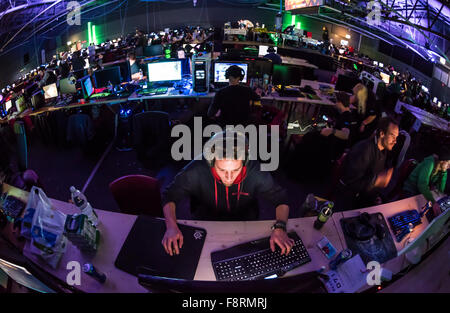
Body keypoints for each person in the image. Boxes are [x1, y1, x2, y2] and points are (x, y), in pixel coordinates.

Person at [161, 131, 294, 256]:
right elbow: (169, 195)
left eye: (236, 170)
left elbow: (281, 199)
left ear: (244, 162)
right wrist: (171, 226)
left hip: (245, 223)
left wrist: (280, 227)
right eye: (222, 169)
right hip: (206, 224)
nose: (229, 177)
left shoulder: (255, 170)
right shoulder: (195, 169)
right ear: (211, 161)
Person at [290, 92, 358, 180]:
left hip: (333, 147)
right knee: (309, 136)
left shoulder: (347, 117)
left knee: (308, 140)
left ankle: (297, 172)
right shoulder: (346, 114)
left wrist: (331, 130)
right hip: (332, 143)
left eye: (335, 102)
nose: (334, 104)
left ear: (340, 103)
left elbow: (345, 134)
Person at [336, 117, 399, 210]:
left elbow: (369, 176)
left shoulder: (383, 150)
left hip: (365, 198)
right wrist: (376, 181)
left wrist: (375, 196)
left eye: (396, 137)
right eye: (392, 136)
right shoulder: (364, 150)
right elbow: (350, 184)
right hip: (350, 203)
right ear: (382, 133)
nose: (395, 141)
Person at [402, 147, 449, 214]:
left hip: (420, 193)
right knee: (410, 213)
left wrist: (444, 172)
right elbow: (422, 184)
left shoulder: (440, 169)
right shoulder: (430, 163)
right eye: (449, 163)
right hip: (410, 190)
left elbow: (440, 190)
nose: (449, 166)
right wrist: (433, 202)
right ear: (443, 161)